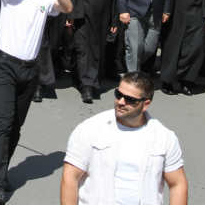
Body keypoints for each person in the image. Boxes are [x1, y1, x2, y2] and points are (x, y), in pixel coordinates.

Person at [0, 0, 72, 204]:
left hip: (29, 70)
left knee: (16, 126)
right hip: (3, 66)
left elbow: (68, 7)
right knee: (2, 123)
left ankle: (2, 169)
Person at [60, 72, 187, 205]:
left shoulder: (164, 137)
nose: (121, 102)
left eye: (130, 99)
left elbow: (177, 184)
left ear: (145, 104)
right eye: (118, 95)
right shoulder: (90, 129)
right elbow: (70, 177)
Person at [67, 0, 118, 103]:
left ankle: (91, 81)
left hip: (103, 17)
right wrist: (72, 14)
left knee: (97, 51)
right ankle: (87, 86)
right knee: (84, 50)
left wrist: (114, 19)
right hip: (83, 15)